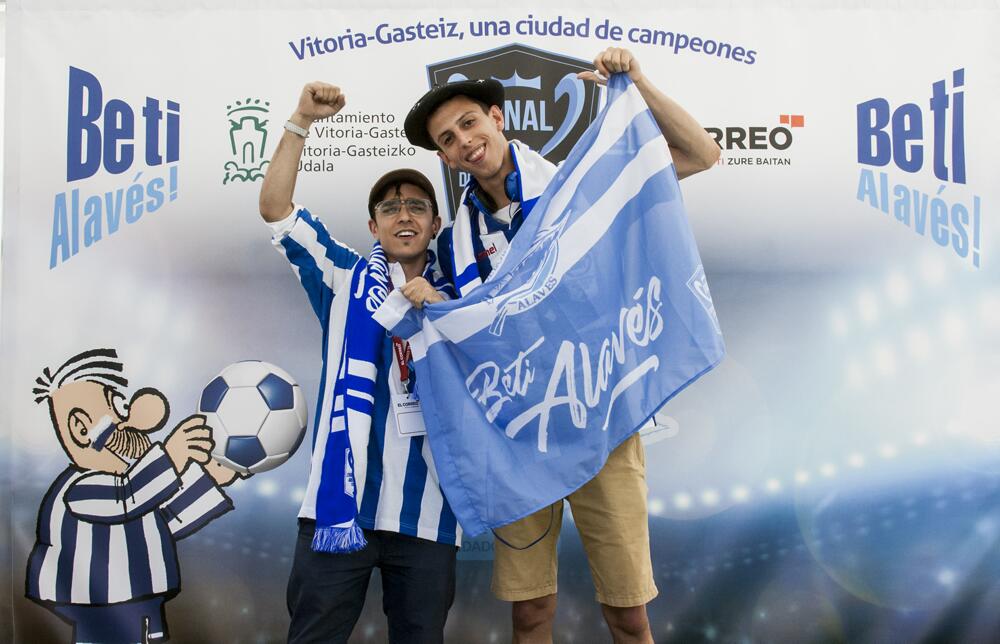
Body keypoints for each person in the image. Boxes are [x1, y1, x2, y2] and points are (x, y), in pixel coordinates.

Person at [403, 48, 720, 644]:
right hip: (517, 439)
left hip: (602, 421)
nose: (464, 141)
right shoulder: (452, 246)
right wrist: (429, 297)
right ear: (444, 156)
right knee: (530, 614)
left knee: (629, 615)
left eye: (469, 123)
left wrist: (638, 82)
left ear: (498, 118)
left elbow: (702, 154)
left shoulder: (576, 186)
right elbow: (454, 342)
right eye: (448, 139)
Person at [259, 82, 460, 644]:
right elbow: (276, 211)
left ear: (434, 225)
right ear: (374, 226)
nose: (403, 215)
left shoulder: (463, 295)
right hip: (337, 511)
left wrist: (441, 310)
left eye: (417, 206)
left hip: (427, 514)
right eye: (390, 207)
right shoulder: (342, 277)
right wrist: (300, 120)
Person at [26, 348, 239, 644]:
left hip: (143, 601)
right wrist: (172, 455)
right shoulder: (79, 488)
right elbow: (127, 497)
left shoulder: (134, 487)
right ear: (81, 428)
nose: (135, 421)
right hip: (100, 606)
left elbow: (164, 519)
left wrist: (210, 478)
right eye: (117, 407)